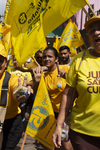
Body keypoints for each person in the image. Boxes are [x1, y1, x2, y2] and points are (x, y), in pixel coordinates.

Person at [53, 15, 100, 150]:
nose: (96, 32)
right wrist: (59, 125)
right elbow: (67, 95)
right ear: (89, 37)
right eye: (92, 30)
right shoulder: (80, 60)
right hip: (83, 134)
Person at [32, 47, 73, 150]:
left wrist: (67, 76)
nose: (46, 59)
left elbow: (77, 86)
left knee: (66, 144)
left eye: (50, 56)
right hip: (54, 114)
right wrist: (36, 82)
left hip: (69, 113)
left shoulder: (66, 69)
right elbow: (36, 93)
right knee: (54, 143)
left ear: (56, 59)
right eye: (44, 57)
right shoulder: (42, 76)